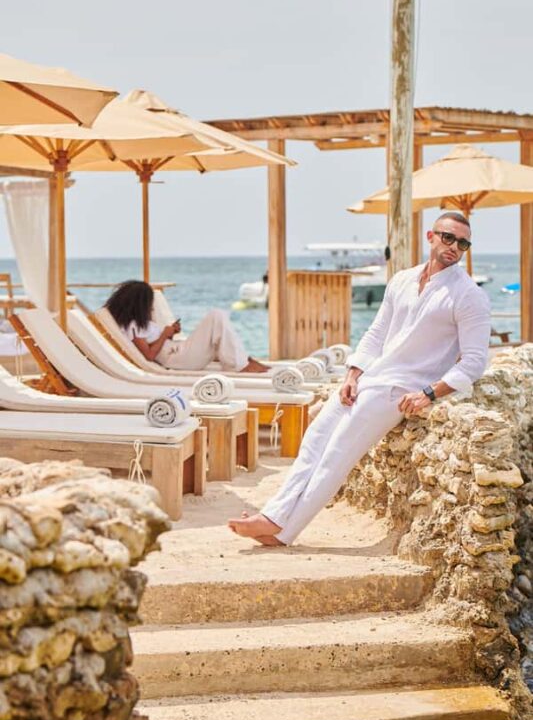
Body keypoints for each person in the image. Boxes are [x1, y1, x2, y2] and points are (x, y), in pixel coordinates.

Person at [228, 211, 491, 545]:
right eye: (448, 237)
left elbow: (474, 362)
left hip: (399, 389)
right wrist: (353, 373)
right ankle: (274, 518)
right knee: (314, 440)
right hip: (371, 379)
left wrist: (428, 393)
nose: (455, 247)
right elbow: (376, 332)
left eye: (463, 243)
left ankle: (282, 530)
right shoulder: (402, 280)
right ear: (431, 236)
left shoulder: (469, 295)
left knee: (337, 453)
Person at [105, 280, 268, 372]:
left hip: (178, 351)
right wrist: (164, 334)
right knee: (216, 316)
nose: (151, 306)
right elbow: (149, 355)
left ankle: (242, 361)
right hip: (176, 358)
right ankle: (241, 364)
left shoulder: (137, 323)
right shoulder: (133, 326)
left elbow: (154, 345)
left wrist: (170, 333)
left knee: (217, 322)